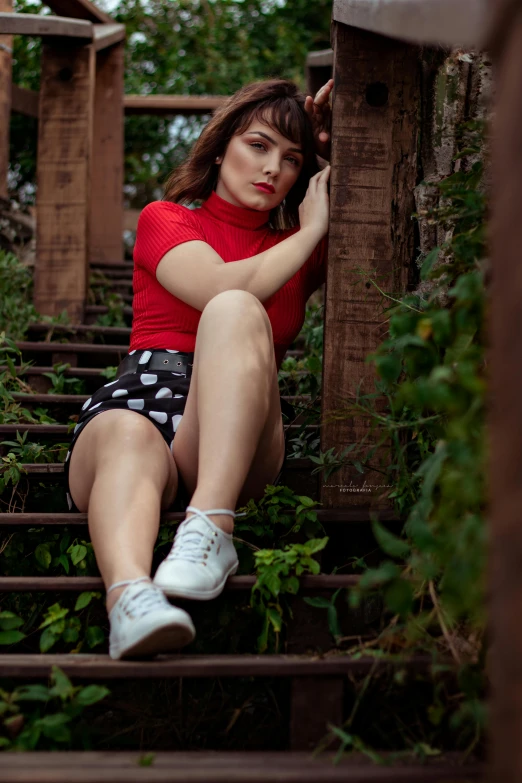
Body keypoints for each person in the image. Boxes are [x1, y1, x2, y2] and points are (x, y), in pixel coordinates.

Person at [64, 77, 333, 660]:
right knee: (128, 431)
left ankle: (211, 524)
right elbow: (216, 283)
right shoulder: (167, 219)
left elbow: (376, 203)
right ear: (220, 147)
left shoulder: (300, 248)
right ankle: (132, 600)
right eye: (258, 145)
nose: (273, 169)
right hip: (145, 400)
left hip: (236, 434)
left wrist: (338, 149)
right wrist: (310, 230)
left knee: (237, 312)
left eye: (292, 159)